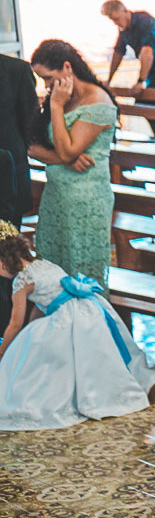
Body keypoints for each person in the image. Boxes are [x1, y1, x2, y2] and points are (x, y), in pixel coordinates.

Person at [0, 224, 155, 430]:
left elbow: (15, 323)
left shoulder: (21, 281)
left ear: (4, 261)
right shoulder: (41, 264)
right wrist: (33, 325)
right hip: (88, 308)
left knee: (37, 349)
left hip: (68, 318)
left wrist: (4, 350)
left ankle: (46, 395)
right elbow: (43, 304)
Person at [27, 40, 118, 291]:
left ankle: (89, 329)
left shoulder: (97, 100)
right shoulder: (62, 97)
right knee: (51, 274)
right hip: (56, 198)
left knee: (82, 275)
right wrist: (63, 158)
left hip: (86, 202)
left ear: (67, 67)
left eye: (47, 77)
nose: (46, 85)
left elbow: (67, 149)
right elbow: (32, 146)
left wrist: (56, 105)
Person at [100, 0, 155, 136]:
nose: (117, 23)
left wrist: (140, 81)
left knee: (147, 101)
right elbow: (118, 53)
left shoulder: (144, 20)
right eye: (113, 21)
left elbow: (147, 52)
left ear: (125, 11)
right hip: (154, 74)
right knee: (153, 105)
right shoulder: (124, 29)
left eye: (117, 19)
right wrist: (109, 80)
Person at [0, 53, 38, 326]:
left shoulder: (16, 70)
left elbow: (29, 126)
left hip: (7, 178)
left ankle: (8, 328)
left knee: (6, 260)